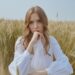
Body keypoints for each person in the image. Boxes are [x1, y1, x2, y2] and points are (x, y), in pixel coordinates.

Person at [8, 6, 73, 75]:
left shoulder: (51, 41)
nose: (35, 26)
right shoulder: (21, 42)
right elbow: (16, 70)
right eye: (31, 22)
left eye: (39, 21)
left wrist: (41, 73)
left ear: (44, 22)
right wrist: (31, 43)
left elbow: (66, 66)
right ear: (28, 25)